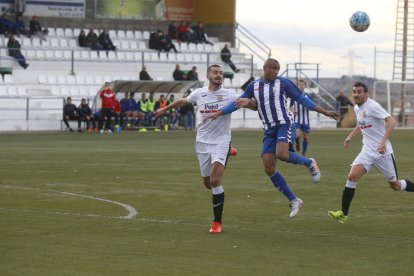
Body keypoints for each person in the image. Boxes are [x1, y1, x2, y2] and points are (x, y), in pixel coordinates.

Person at [205, 58, 340, 218]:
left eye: (278, 69)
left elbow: (302, 100)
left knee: (282, 154)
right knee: (268, 167)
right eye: (273, 69)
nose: (276, 72)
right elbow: (238, 103)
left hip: (285, 123)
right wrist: (218, 113)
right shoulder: (253, 86)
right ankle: (294, 200)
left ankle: (309, 162)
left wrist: (325, 112)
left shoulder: (283, 83)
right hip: (269, 130)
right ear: (265, 68)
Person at [155, 64, 247, 233]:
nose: (219, 75)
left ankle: (216, 223)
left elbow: (247, 102)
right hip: (202, 142)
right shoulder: (200, 93)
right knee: (207, 184)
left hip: (221, 140)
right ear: (208, 75)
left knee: (214, 181)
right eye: (215, 72)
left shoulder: (229, 95)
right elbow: (184, 101)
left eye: (220, 73)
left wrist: (254, 103)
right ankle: (227, 152)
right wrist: (164, 109)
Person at [328, 82, 414, 223]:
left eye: (359, 92)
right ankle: (343, 214)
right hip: (367, 151)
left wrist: (382, 143)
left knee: (395, 185)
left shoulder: (373, 106)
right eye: (354, 91)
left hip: (383, 153)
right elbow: (361, 125)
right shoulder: (356, 108)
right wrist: (349, 137)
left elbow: (392, 122)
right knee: (352, 177)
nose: (356, 94)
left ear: (366, 94)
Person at [290, 79, 312, 156]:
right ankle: (297, 143)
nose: (301, 86)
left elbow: (313, 106)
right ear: (297, 86)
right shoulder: (294, 96)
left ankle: (304, 152)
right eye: (299, 84)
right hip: (297, 119)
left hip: (305, 120)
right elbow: (291, 106)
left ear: (305, 86)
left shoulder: (308, 96)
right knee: (297, 135)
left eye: (303, 84)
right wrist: (293, 110)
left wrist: (308, 107)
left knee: (305, 137)